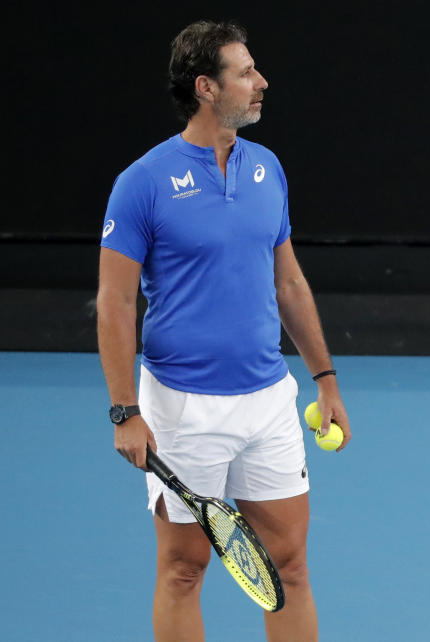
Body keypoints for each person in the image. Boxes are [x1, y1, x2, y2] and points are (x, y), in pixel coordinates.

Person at [96, 20, 350, 641]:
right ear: (206, 87)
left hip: (268, 401)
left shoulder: (267, 168)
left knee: (289, 567)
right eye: (246, 73)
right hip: (182, 408)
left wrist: (325, 377)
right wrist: (124, 409)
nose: (261, 83)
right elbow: (114, 302)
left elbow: (287, 283)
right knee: (184, 569)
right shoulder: (142, 183)